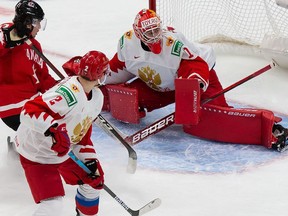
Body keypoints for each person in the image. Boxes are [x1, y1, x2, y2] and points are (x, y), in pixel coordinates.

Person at [64, 9, 288, 152]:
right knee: (118, 95)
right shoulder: (127, 43)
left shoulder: (173, 42)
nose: (154, 36)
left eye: (156, 30)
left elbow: (196, 64)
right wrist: (89, 80)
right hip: (159, 86)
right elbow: (117, 69)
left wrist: (193, 87)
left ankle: (268, 129)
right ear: (138, 33)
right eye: (148, 32)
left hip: (196, 79)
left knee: (206, 121)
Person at [15, 50, 108, 216]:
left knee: (94, 181)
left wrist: (90, 160)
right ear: (100, 75)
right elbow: (28, 111)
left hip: (64, 151)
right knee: (53, 207)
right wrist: (52, 129)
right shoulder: (67, 94)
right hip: (37, 155)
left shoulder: (97, 98)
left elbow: (82, 133)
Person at [0, 0, 57, 132]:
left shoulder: (34, 45)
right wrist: (6, 43)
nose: (38, 27)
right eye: (36, 22)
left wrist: (61, 90)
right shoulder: (5, 32)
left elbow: (43, 78)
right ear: (27, 22)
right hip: (13, 106)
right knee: (53, 133)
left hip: (33, 103)